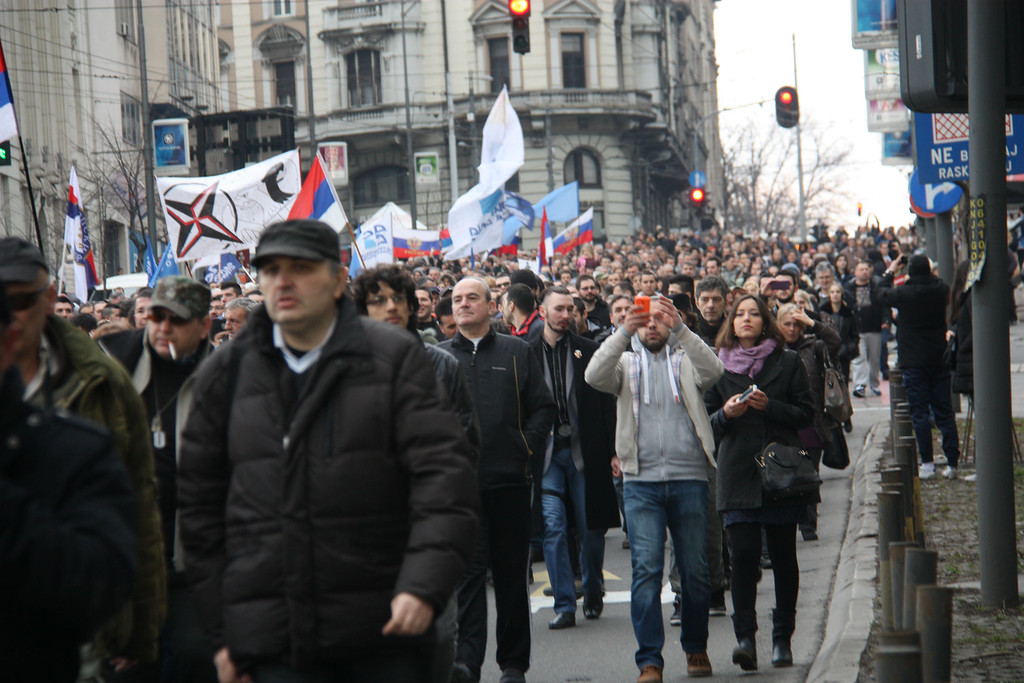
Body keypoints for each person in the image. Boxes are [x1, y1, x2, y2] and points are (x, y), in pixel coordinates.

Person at [178, 220, 479, 682]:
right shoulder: (224, 374)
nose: (283, 281)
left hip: (384, 629)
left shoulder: (393, 358)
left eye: (300, 268)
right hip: (273, 641)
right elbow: (200, 511)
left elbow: (443, 480)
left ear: (338, 280)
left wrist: (422, 585)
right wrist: (222, 634)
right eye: (271, 269)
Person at [0, 237, 166, 677]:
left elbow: (140, 505)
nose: (9, 316)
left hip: (74, 633)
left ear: (49, 297)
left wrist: (140, 628)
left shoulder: (103, 380)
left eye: (17, 301)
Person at [586, 295, 723, 682]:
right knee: (646, 571)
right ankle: (649, 660)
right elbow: (593, 375)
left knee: (695, 572)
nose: (651, 327)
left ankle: (696, 647)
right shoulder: (625, 364)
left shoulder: (685, 360)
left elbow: (714, 370)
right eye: (644, 322)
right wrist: (622, 331)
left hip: (690, 478)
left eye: (658, 321)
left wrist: (681, 326)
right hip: (640, 483)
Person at [101, 276, 216, 683]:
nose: (163, 328)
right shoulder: (109, 366)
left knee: (195, 660)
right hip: (126, 555)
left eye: (177, 320)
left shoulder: (226, 376)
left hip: (194, 557)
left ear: (204, 326)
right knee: (126, 667)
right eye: (156, 316)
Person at [440, 277, 555, 683]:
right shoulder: (437, 358)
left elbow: (544, 408)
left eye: (473, 297)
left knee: (509, 577)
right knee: (467, 580)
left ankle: (512, 665)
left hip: (509, 481)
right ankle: (467, 664)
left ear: (493, 306)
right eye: (457, 299)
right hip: (459, 488)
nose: (464, 304)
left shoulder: (517, 351)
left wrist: (524, 446)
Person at [704, 294, 815, 672]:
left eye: (754, 314)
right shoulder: (715, 366)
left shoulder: (785, 361)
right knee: (745, 556)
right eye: (740, 315)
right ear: (731, 323)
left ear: (765, 321)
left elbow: (806, 414)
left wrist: (772, 407)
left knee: (784, 556)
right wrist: (726, 413)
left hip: (781, 473)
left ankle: (783, 638)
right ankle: (745, 638)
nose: (747, 319)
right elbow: (705, 422)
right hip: (737, 474)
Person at [529, 286, 619, 630]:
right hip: (548, 457)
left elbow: (606, 403)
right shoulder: (524, 354)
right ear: (542, 312)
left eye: (571, 309)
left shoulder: (590, 350)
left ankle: (593, 589)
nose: (566, 315)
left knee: (591, 528)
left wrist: (613, 450)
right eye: (559, 309)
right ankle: (564, 604)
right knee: (552, 527)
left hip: (586, 452)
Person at [876, 254, 960, 479]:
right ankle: (952, 462)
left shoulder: (903, 293)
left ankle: (928, 464)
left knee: (919, 413)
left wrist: (891, 270)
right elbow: (936, 281)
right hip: (938, 359)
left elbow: (880, 293)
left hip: (913, 361)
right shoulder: (941, 290)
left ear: (910, 272)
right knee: (944, 411)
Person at [776, 303, 841, 541]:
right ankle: (790, 524)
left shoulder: (813, 345)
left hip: (811, 422)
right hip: (784, 422)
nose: (792, 329)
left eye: (797, 325)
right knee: (786, 478)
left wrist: (813, 323)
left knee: (809, 476)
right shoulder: (772, 349)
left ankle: (808, 525)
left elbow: (835, 343)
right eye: (787, 324)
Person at [820, 282, 860, 383]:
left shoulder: (848, 313)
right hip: (827, 352)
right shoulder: (823, 313)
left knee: (843, 381)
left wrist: (849, 348)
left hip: (843, 354)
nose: (835, 294)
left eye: (837, 292)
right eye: (832, 292)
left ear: (842, 294)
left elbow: (854, 334)